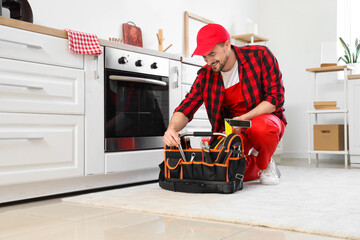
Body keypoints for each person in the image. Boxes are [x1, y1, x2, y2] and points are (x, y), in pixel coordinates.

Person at [163, 23, 286, 185]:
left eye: (212, 54)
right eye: (205, 57)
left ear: (227, 45)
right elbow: (186, 108)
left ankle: (265, 163)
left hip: (264, 121)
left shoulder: (261, 56)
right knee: (223, 171)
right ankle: (254, 162)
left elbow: (275, 99)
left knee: (261, 128)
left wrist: (243, 118)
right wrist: (171, 128)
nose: (208, 62)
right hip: (232, 131)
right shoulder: (205, 76)